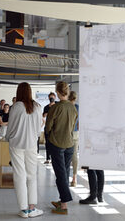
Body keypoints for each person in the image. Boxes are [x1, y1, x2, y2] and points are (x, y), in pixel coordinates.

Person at [6, 82, 43, 218]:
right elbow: (39, 130)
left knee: (19, 175)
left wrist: (7, 138)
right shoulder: (38, 107)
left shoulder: (16, 106)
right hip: (32, 144)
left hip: (16, 144)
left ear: (19, 92)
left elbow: (10, 128)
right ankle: (32, 208)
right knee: (32, 175)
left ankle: (23, 210)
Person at [45, 82, 78, 215]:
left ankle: (64, 204)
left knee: (60, 175)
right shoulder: (73, 107)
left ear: (57, 92)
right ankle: (62, 200)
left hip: (57, 144)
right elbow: (73, 125)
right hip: (69, 144)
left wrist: (50, 135)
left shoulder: (55, 108)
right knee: (63, 173)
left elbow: (48, 127)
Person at [68, 91, 79, 187]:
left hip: (67, 134)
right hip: (76, 133)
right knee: (74, 155)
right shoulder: (78, 108)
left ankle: (65, 176)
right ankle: (74, 179)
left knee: (65, 155)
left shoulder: (67, 107)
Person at [43, 92, 56, 164]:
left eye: (52, 97)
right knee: (47, 143)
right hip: (48, 127)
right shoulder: (46, 107)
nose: (51, 99)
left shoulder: (58, 105)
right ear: (48, 98)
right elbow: (44, 116)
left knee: (54, 143)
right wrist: (49, 109)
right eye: (50, 98)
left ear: (55, 97)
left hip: (56, 127)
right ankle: (48, 158)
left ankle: (54, 158)